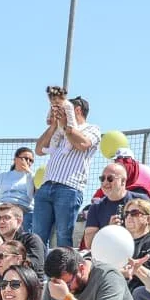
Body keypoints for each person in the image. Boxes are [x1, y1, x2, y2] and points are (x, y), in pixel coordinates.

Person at [33, 91, 100, 248]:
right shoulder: (58, 129)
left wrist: (65, 125)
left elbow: (82, 144)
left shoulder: (92, 128)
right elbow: (39, 149)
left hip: (69, 187)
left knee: (64, 235)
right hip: (46, 186)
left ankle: (64, 271)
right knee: (38, 235)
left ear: (76, 110)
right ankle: (37, 270)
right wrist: (54, 126)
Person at [0, 202, 47, 279]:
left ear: (18, 222)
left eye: (7, 218)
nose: (1, 221)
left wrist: (4, 249)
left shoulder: (31, 240)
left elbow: (33, 271)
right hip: (4, 288)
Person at [82, 162, 147, 249]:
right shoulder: (95, 207)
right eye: (102, 178)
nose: (105, 182)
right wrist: (108, 230)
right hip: (110, 255)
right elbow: (89, 243)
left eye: (110, 178)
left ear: (123, 181)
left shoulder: (140, 200)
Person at [0, 147, 38, 230]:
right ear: (15, 159)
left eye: (31, 160)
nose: (28, 162)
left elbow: (30, 195)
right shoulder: (3, 176)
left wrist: (29, 174)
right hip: (3, 205)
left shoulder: (32, 176)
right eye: (25, 158)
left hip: (23, 206)